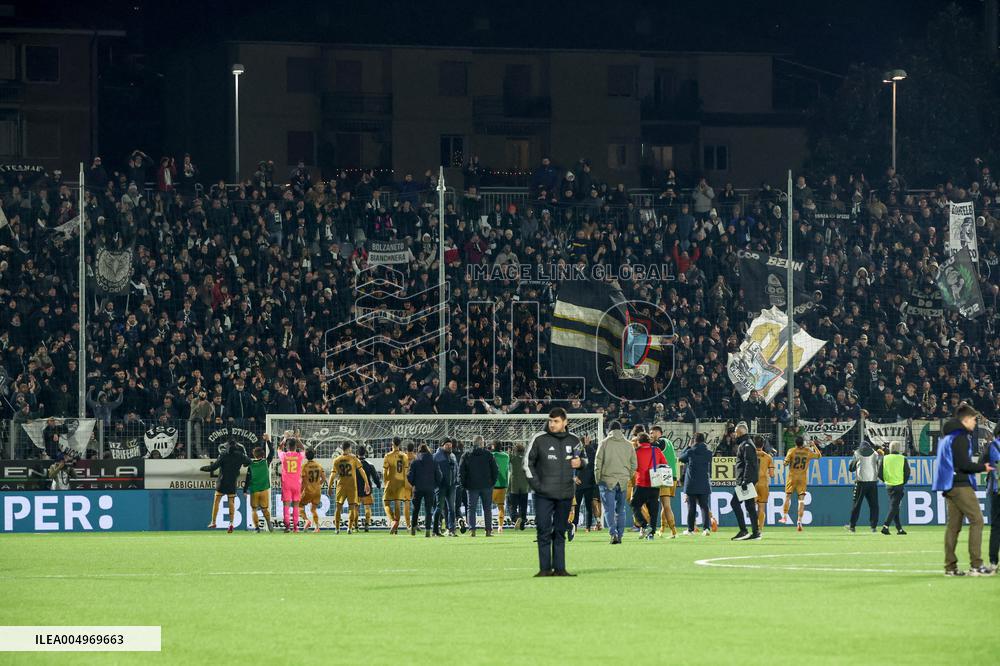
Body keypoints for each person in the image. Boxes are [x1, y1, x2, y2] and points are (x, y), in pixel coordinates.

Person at [932, 405, 994, 576]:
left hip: (949, 485)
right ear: (965, 420)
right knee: (977, 520)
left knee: (953, 526)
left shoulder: (947, 437)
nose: (975, 423)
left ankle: (950, 567)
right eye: (974, 419)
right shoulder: (960, 437)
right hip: (960, 485)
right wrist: (984, 467)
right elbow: (964, 465)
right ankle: (976, 565)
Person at [525, 407, 586, 577]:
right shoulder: (539, 439)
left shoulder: (574, 440)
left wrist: (580, 463)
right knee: (543, 531)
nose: (552, 424)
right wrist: (538, 486)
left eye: (556, 421)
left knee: (560, 532)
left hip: (565, 494)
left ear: (565, 422)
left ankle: (560, 569)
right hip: (543, 495)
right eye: (550, 421)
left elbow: (585, 459)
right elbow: (527, 464)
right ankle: (544, 569)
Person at [594, 420, 637, 545]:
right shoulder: (628, 444)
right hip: (623, 481)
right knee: (621, 510)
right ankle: (620, 535)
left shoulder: (604, 443)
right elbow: (634, 464)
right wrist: (627, 476)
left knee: (609, 510)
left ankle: (613, 534)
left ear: (609, 430)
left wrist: (598, 479)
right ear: (621, 429)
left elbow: (598, 463)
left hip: (607, 480)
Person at [201, 438, 250, 533]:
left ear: (227, 446)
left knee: (216, 501)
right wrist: (243, 464)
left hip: (222, 481)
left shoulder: (223, 455)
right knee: (231, 502)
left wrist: (203, 468)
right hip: (232, 482)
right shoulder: (240, 455)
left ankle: (213, 522)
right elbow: (248, 461)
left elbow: (213, 467)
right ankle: (231, 523)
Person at [459, 435, 499, 537]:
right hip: (487, 486)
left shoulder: (466, 455)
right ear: (482, 443)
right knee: (487, 508)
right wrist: (492, 483)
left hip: (472, 486)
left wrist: (464, 484)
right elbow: (495, 470)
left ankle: (472, 530)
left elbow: (461, 471)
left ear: (473, 443)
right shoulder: (488, 455)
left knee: (471, 508)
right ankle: (488, 530)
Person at [781, 436, 822, 531]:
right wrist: (814, 445)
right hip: (802, 478)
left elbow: (785, 463)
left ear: (795, 443)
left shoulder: (791, 451)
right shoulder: (807, 451)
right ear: (803, 443)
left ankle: (785, 516)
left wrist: (788, 462)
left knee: (788, 497)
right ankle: (799, 521)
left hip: (792, 477)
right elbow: (819, 456)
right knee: (801, 500)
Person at [328, 442, 369, 534]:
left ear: (342, 449)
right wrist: (366, 483)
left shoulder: (337, 460)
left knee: (338, 507)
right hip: (352, 486)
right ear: (349, 448)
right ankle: (349, 528)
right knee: (352, 507)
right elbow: (361, 471)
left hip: (341, 486)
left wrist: (329, 486)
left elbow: (333, 474)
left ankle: (337, 529)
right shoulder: (353, 458)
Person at [633, 432, 668, 541]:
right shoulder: (656, 450)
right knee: (653, 510)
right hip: (655, 483)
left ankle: (644, 525)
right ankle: (651, 534)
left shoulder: (636, 452)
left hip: (641, 484)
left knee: (635, 505)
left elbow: (634, 467)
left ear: (638, 442)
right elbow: (665, 463)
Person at [731, 422, 761, 541]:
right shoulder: (747, 443)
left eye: (736, 432)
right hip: (747, 480)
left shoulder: (746, 444)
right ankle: (756, 532)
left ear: (740, 433)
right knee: (750, 506)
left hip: (745, 481)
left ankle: (744, 530)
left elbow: (749, 463)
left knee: (734, 503)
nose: (734, 435)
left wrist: (745, 481)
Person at [678, 433, 713, 536]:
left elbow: (681, 458)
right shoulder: (709, 453)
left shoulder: (690, 452)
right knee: (704, 506)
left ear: (694, 440)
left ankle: (690, 530)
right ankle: (706, 529)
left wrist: (688, 446)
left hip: (691, 484)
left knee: (691, 507)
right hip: (704, 483)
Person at [407, 444, 442, 537]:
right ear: (428, 451)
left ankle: (413, 528)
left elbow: (409, 476)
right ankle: (427, 530)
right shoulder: (434, 461)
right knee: (428, 510)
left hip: (418, 488)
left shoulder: (415, 462)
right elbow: (439, 476)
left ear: (419, 451)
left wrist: (414, 484)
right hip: (430, 488)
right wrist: (435, 485)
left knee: (416, 509)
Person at [847, 439, 882, 533]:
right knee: (874, 505)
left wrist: (852, 462)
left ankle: (852, 526)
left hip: (861, 483)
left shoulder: (857, 453)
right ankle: (873, 526)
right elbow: (878, 466)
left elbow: (851, 468)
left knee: (857, 505)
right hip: (873, 483)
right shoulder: (875, 454)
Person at [650, 426, 678, 538]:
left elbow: (653, 446)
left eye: (652, 433)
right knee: (664, 505)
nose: (651, 435)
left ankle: (674, 531)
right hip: (672, 475)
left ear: (658, 433)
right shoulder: (669, 443)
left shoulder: (662, 442)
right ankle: (662, 529)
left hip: (664, 475)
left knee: (666, 505)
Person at [878, 442, 910, 536]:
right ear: (899, 448)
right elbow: (907, 473)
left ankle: (899, 528)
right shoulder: (903, 458)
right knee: (894, 506)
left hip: (889, 486)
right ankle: (885, 526)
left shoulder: (885, 458)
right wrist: (903, 482)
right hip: (899, 485)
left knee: (895, 506)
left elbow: (879, 473)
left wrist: (886, 481)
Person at [244, 437, 275, 533]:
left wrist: (245, 490)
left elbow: (247, 479)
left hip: (254, 490)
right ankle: (268, 522)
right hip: (264, 490)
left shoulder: (251, 465)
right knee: (265, 509)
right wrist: (268, 440)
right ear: (263, 455)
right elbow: (272, 452)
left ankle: (257, 528)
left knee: (254, 509)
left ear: (254, 455)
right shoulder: (266, 462)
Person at [432, 438, 459, 537]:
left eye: (450, 444)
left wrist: (456, 481)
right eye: (447, 444)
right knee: (439, 508)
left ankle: (452, 530)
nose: (449, 446)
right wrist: (436, 484)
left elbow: (456, 469)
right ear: (442, 445)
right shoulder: (436, 456)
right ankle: (435, 530)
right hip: (441, 487)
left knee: (452, 508)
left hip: (452, 486)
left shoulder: (453, 456)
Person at [277, 438, 305, 533]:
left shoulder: (284, 455)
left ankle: (287, 526)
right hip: (297, 483)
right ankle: (296, 528)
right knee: (296, 505)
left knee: (286, 505)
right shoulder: (299, 456)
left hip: (286, 483)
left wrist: (284, 439)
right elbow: (303, 449)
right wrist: (298, 440)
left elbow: (279, 448)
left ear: (287, 447)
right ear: (295, 446)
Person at [383, 437, 410, 534]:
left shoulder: (388, 456)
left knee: (386, 502)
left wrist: (385, 481)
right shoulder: (405, 456)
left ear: (392, 443)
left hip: (391, 482)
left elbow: (385, 471)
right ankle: (396, 528)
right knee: (397, 503)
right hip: (401, 482)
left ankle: (393, 521)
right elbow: (406, 472)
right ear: (400, 444)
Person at [573, 434, 598, 532]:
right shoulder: (576, 452)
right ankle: (574, 525)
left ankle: (588, 527)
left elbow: (594, 461)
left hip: (589, 483)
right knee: (577, 506)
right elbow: (571, 465)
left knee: (588, 506)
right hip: (579, 483)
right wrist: (574, 477)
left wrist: (588, 446)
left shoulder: (592, 451)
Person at [355, 445, 381, 532]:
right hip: (367, 489)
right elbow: (375, 477)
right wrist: (378, 484)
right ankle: (366, 525)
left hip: (356, 489)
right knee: (367, 507)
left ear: (357, 453)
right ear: (365, 453)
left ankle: (356, 527)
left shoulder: (354, 464)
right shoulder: (369, 464)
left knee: (356, 508)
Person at [299, 449, 325, 533]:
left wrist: (300, 492)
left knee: (299, 505)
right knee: (313, 509)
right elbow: (323, 478)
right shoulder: (318, 465)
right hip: (317, 491)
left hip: (308, 491)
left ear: (306, 456)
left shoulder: (304, 466)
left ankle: (306, 520)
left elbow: (303, 482)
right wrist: (317, 484)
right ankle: (317, 527)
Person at [985, 424, 1000, 569]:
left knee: (996, 526)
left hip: (997, 490)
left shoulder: (993, 446)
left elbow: (981, 463)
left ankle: (993, 561)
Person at [754, 436, 775, 534]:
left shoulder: (749, 455)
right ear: (763, 445)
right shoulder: (768, 457)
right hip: (763, 483)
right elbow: (772, 475)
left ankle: (754, 528)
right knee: (761, 507)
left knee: (751, 507)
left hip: (752, 483)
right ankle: (760, 529)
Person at [508, 443, 530, 530]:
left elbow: (508, 457)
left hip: (514, 486)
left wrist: (509, 451)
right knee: (523, 506)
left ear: (515, 450)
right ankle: (522, 524)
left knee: (512, 505)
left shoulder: (512, 458)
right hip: (525, 486)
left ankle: (515, 518)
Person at [491, 442, 510, 533]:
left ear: (493, 446)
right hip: (503, 484)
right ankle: (500, 527)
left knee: (487, 506)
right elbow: (507, 469)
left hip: (492, 484)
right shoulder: (506, 456)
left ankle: (489, 526)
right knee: (501, 506)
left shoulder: (491, 455)